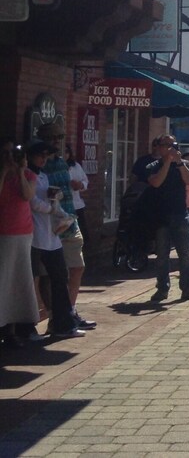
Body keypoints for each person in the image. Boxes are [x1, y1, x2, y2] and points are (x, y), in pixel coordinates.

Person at [37, 123, 95, 329]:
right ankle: (55, 316)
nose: (56, 142)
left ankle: (69, 311)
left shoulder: (63, 162)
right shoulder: (39, 165)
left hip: (70, 219)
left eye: (59, 138)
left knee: (77, 268)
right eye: (52, 138)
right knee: (50, 274)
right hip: (51, 225)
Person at [26, 141, 83, 338]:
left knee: (60, 276)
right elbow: (32, 201)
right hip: (34, 235)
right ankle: (27, 325)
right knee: (32, 279)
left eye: (46, 155)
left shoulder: (43, 174)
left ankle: (62, 324)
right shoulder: (27, 174)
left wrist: (60, 213)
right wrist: (51, 208)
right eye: (39, 155)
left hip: (51, 234)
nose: (43, 159)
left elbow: (50, 200)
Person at [145, 137, 189, 303]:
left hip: (181, 214)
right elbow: (156, 182)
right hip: (162, 215)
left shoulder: (184, 164)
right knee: (162, 255)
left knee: (185, 254)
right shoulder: (153, 166)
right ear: (159, 148)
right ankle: (162, 289)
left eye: (173, 146)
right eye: (166, 146)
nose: (170, 149)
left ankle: (188, 289)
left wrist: (178, 162)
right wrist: (167, 163)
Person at [1, 142, 42, 346]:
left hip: (23, 234)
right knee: (3, 281)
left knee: (19, 281)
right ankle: (5, 327)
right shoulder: (3, 173)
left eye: (14, 154)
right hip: (3, 234)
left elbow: (27, 195)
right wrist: (5, 171)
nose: (10, 157)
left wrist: (21, 171)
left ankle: (16, 327)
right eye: (6, 153)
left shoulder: (29, 175)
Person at [65, 145, 90, 249]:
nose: (65, 154)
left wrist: (80, 185)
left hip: (77, 204)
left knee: (82, 234)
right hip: (64, 205)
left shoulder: (76, 166)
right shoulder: (57, 167)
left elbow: (85, 181)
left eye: (67, 152)